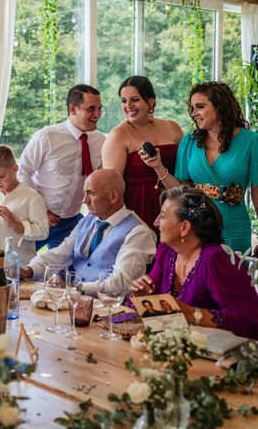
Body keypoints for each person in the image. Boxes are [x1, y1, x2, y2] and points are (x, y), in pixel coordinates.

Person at [139, 81, 258, 253]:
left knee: (230, 278)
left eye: (200, 107)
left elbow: (256, 192)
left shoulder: (251, 141)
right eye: (192, 108)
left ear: (220, 106)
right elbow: (181, 191)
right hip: (195, 229)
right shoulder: (189, 142)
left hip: (235, 228)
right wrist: (157, 166)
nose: (194, 113)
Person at [130, 186, 258, 339]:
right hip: (175, 347)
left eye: (163, 216)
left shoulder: (217, 259)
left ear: (184, 227)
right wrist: (143, 297)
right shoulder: (167, 252)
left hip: (219, 355)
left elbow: (250, 321)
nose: (156, 222)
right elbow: (158, 312)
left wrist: (193, 314)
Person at [20, 169, 156, 297]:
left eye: (90, 193)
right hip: (75, 302)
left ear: (113, 196)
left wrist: (73, 289)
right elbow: (60, 254)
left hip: (110, 309)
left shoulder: (138, 233)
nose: (84, 200)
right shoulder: (86, 221)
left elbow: (121, 283)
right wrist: (28, 270)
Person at [19, 84, 105, 250]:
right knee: (20, 267)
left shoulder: (100, 141)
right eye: (91, 109)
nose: (97, 114)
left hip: (72, 222)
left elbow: (99, 180)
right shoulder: (46, 137)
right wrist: (42, 211)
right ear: (73, 109)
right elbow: (23, 173)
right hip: (37, 219)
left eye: (100, 108)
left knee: (64, 274)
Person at [102, 76, 183, 238]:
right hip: (137, 208)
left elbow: (186, 171)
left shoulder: (172, 127)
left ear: (151, 101)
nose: (128, 106)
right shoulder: (118, 135)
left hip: (173, 203)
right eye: (124, 101)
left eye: (135, 100)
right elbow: (112, 186)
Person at [0, 145, 48, 269]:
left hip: (18, 266)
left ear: (15, 168)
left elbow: (43, 232)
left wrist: (15, 224)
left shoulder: (32, 197)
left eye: (1, 176)